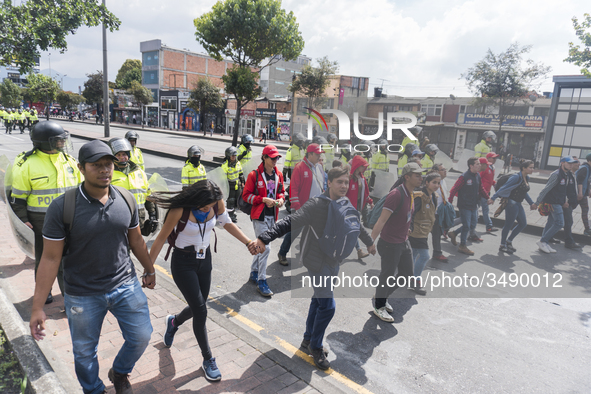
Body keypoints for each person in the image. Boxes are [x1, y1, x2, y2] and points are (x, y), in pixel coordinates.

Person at [29, 139, 156, 394]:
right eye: (96, 165)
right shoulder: (62, 207)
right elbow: (50, 259)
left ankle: (119, 372)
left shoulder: (126, 199)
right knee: (85, 354)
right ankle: (94, 389)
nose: (104, 170)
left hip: (125, 285)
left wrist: (149, 269)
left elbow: (136, 241)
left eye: (108, 164)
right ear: (81, 168)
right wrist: (37, 307)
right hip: (82, 294)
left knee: (141, 336)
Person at [253, 166, 376, 370]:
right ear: (329, 182)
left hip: (334, 260)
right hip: (317, 261)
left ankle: (307, 340)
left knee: (318, 301)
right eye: (340, 182)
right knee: (328, 306)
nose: (344, 186)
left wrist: (369, 242)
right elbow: (290, 221)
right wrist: (264, 237)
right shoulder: (316, 204)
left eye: (346, 182)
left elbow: (356, 223)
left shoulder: (345, 201)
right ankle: (316, 347)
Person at [149, 180, 257, 382]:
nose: (208, 209)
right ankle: (208, 359)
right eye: (204, 206)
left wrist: (248, 242)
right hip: (183, 262)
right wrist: (149, 270)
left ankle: (174, 322)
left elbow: (227, 223)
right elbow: (160, 238)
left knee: (198, 305)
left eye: (210, 205)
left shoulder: (217, 203)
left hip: (204, 259)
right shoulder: (180, 210)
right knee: (200, 310)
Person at [11, 121, 83, 304]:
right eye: (58, 141)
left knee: (68, 259)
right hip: (41, 220)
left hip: (70, 218)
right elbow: (17, 198)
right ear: (44, 142)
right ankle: (44, 291)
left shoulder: (69, 161)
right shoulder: (26, 164)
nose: (62, 143)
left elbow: (81, 189)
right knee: (45, 258)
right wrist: (23, 221)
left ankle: (70, 296)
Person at [371, 163, 426, 322]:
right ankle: (379, 306)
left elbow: (405, 215)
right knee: (386, 276)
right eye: (417, 175)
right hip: (390, 243)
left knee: (407, 276)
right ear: (407, 177)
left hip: (403, 240)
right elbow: (382, 221)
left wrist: (406, 227)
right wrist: (370, 242)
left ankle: (381, 295)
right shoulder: (396, 194)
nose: (421, 178)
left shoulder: (411, 193)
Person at [243, 145, 285, 296]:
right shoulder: (254, 175)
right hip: (259, 216)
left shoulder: (278, 175)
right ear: (264, 158)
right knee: (265, 248)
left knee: (260, 246)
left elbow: (281, 192)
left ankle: (254, 272)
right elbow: (245, 196)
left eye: (277, 158)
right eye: (272, 158)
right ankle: (262, 281)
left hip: (272, 215)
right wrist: (262, 199)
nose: (275, 160)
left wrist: (280, 200)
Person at [278, 143, 326, 265]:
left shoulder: (319, 167)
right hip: (302, 208)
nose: (320, 157)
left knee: (311, 233)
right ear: (310, 154)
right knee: (294, 231)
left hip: (316, 208)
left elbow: (322, 185)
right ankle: (282, 253)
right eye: (317, 154)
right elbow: (293, 189)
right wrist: (297, 208)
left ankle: (305, 253)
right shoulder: (300, 167)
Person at [108, 138, 158, 236]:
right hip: (117, 219)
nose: (122, 157)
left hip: (139, 219)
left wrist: (153, 214)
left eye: (124, 154)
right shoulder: (108, 173)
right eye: (118, 155)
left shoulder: (139, 172)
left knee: (136, 246)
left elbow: (147, 194)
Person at [448, 157, 493, 256]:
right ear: (471, 166)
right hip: (464, 205)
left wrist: (488, 197)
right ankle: (462, 246)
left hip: (474, 205)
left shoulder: (477, 176)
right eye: (477, 164)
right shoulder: (464, 177)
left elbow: (480, 188)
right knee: (467, 225)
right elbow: (454, 189)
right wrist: (449, 202)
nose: (479, 165)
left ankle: (454, 233)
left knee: (472, 225)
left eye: (479, 164)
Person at [490, 160, 537, 254]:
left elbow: (524, 192)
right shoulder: (516, 177)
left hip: (518, 203)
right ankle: (502, 245)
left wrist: (531, 203)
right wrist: (493, 198)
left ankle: (509, 241)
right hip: (511, 203)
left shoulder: (526, 177)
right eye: (530, 167)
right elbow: (504, 188)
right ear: (524, 168)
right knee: (508, 225)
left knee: (523, 223)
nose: (533, 169)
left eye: (533, 167)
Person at [535, 156, 576, 253]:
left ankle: (545, 243)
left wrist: (566, 201)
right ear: (562, 163)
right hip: (553, 202)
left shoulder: (567, 174)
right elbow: (546, 189)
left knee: (550, 222)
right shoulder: (556, 174)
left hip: (559, 202)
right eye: (569, 163)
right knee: (559, 223)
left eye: (572, 163)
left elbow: (564, 190)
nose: (571, 165)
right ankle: (543, 241)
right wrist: (536, 203)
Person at [409, 171, 441, 295]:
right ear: (426, 183)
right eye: (434, 182)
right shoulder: (420, 196)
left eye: (438, 183)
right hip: (416, 231)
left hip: (424, 231)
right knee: (424, 256)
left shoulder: (433, 196)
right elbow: (412, 212)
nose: (436, 185)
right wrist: (410, 227)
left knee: (413, 254)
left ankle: (406, 276)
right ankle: (415, 281)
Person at [346, 155, 374, 259]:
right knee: (354, 229)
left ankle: (358, 251)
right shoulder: (349, 178)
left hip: (357, 207)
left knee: (353, 229)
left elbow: (365, 193)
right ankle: (359, 250)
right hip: (348, 208)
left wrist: (370, 202)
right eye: (363, 166)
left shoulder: (362, 178)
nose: (364, 168)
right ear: (357, 166)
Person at [430, 163, 450, 262]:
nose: (445, 171)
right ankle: (437, 253)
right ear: (436, 172)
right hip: (434, 212)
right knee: (436, 233)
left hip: (442, 211)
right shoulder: (433, 182)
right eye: (442, 170)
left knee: (438, 230)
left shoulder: (443, 181)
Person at [562, 157, 583, 250]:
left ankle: (547, 238)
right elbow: (563, 190)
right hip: (565, 202)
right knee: (568, 221)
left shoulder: (572, 174)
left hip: (569, 202)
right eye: (575, 162)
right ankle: (569, 241)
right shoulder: (565, 175)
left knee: (554, 221)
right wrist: (565, 201)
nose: (578, 164)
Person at [221, 146, 245, 223]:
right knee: (231, 200)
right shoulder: (225, 165)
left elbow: (241, 173)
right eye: (232, 155)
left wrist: (243, 182)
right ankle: (229, 215)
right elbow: (223, 177)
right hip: (230, 185)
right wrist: (225, 186)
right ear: (228, 156)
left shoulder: (238, 163)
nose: (234, 157)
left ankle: (233, 213)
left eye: (235, 155)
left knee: (237, 200)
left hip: (237, 184)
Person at [479, 153, 499, 232]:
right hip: (483, 192)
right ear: (488, 158)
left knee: (479, 209)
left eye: (495, 158)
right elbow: (478, 178)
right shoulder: (485, 168)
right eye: (493, 158)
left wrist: (494, 184)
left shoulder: (492, 167)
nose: (495, 160)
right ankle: (489, 226)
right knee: (485, 209)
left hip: (487, 192)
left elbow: (489, 179)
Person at [575, 153, 591, 237]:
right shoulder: (584, 168)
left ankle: (587, 229)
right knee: (569, 209)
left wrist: (589, 190)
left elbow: (587, 181)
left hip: (582, 193)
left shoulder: (588, 168)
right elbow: (579, 181)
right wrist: (580, 193)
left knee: (585, 210)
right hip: (578, 194)